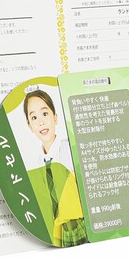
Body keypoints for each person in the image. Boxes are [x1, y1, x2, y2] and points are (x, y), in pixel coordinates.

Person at [22, 88, 87, 247]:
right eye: (34, 117)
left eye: (45, 114)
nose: (41, 122)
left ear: (55, 117)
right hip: (59, 234)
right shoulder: (38, 164)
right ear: (30, 125)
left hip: (83, 226)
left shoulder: (72, 149)